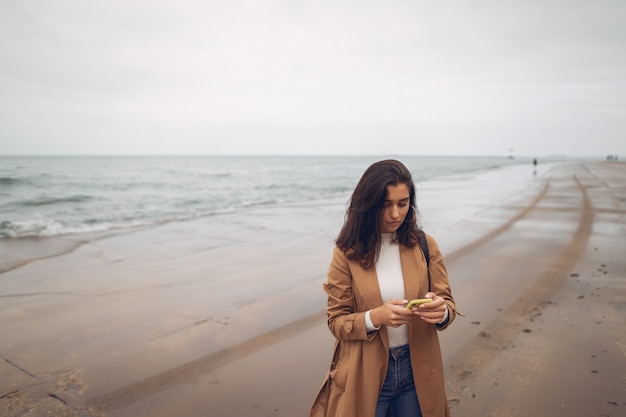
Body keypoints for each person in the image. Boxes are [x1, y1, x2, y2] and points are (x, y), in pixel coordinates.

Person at [310, 159, 459, 417]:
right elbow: (336, 321)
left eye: (402, 204)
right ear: (368, 205)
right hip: (365, 375)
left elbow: (447, 303)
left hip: (418, 370)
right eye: (386, 205)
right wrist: (375, 317)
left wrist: (441, 311)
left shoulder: (425, 245)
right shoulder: (347, 253)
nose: (395, 214)